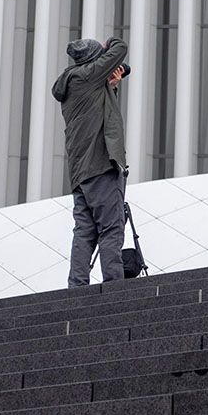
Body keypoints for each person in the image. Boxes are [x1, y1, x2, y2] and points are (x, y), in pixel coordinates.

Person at [52, 36, 128, 287]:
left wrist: (112, 87)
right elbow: (121, 48)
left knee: (84, 232)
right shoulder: (88, 75)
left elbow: (97, 114)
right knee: (111, 228)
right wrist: (109, 44)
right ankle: (115, 287)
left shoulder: (72, 84)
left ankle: (77, 287)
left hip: (80, 172)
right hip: (101, 166)